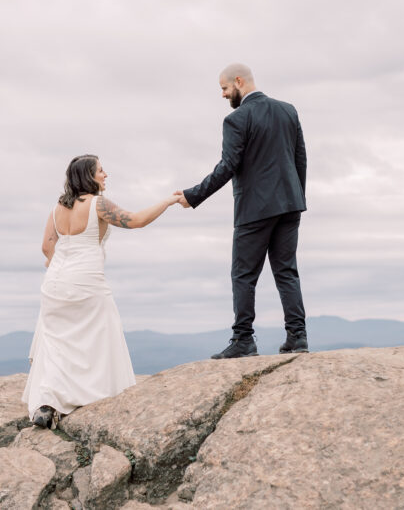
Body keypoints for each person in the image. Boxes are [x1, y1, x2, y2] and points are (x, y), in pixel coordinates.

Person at [23, 154, 181, 428]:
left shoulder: (58, 208)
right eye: (101, 170)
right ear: (88, 176)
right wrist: (168, 201)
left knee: (58, 344)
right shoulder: (98, 204)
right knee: (101, 334)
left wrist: (61, 267)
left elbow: (47, 248)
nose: (105, 174)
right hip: (86, 280)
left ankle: (48, 404)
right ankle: (98, 398)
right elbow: (135, 220)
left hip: (54, 283)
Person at [176, 64, 309, 359]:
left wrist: (193, 195)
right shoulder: (289, 110)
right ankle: (298, 338)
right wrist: (296, 196)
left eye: (224, 88)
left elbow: (228, 167)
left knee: (243, 275)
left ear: (239, 81)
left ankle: (243, 340)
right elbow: (300, 158)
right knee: (286, 271)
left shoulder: (237, 118)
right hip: (290, 204)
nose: (223, 95)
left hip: (255, 208)